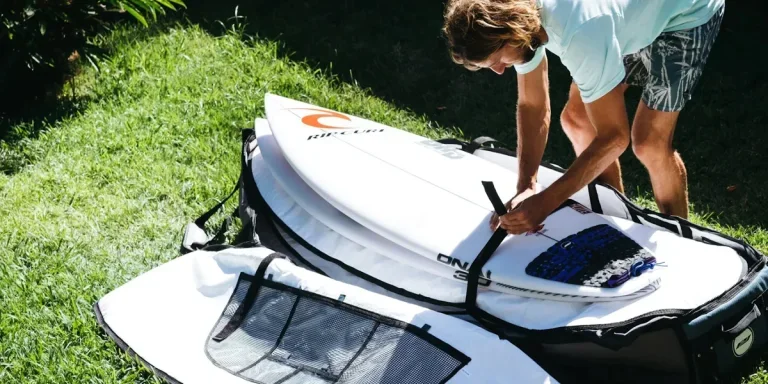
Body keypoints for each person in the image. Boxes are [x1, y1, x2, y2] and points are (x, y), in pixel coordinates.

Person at [441, 0, 725, 235]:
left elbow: (615, 137)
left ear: (512, 33)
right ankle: (617, 221)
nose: (500, 71)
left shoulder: (578, 32)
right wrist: (527, 185)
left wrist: (546, 202)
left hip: (687, 14)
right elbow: (532, 105)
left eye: (497, 61)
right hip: (628, 15)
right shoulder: (519, 14)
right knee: (577, 120)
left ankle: (684, 241)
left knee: (649, 142)